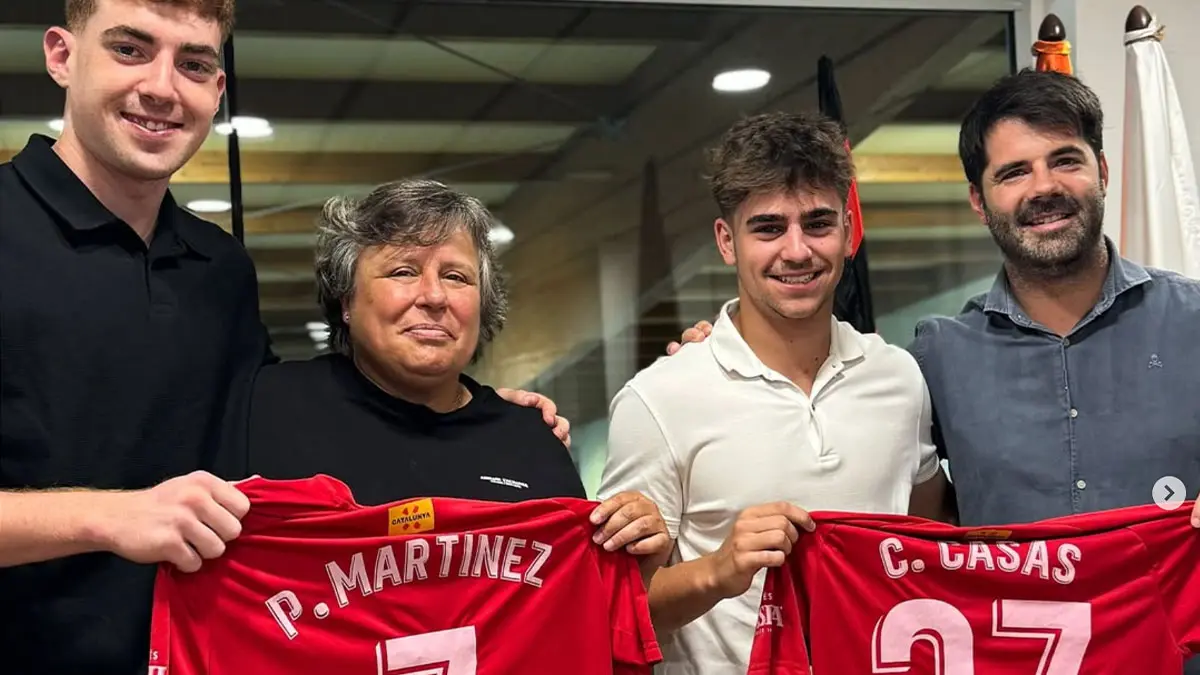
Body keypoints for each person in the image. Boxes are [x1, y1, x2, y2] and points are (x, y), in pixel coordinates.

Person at [0, 2, 567, 674]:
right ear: (62, 55)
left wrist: (470, 411)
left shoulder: (220, 268)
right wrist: (109, 517)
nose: (160, 85)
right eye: (130, 48)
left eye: (193, 63)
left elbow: (303, 415)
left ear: (216, 89)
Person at [671, 71, 1200, 673]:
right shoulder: (933, 360)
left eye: (1065, 161)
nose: (1044, 187)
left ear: (1102, 171)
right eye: (1013, 172)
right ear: (979, 200)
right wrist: (724, 351)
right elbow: (924, 515)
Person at [597, 111, 947, 675]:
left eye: (817, 223)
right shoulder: (659, 399)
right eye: (767, 228)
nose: (797, 250)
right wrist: (719, 570)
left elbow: (930, 544)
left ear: (848, 229)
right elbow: (617, 616)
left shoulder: (899, 378)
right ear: (726, 242)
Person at [232, 178, 672, 589]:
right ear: (346, 299)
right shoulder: (268, 408)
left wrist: (634, 565)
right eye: (403, 272)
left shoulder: (528, 440)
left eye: (456, 276)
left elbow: (576, 606)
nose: (434, 296)